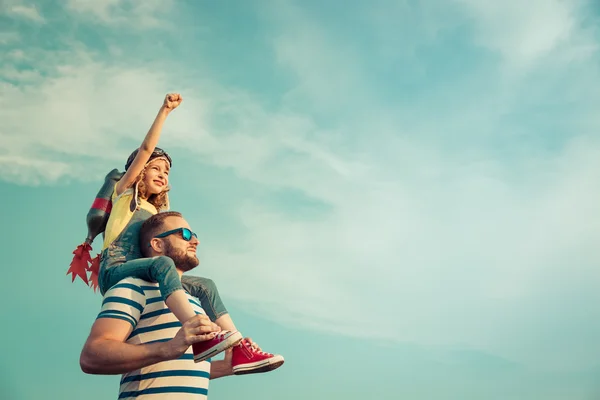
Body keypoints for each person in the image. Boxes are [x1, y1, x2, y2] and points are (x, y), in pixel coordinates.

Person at [97, 93, 283, 372]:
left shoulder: (157, 210)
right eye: (156, 168)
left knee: (205, 285)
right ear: (139, 171)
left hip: (147, 271)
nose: (163, 174)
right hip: (117, 268)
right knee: (163, 263)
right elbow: (147, 148)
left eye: (167, 172)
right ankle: (194, 328)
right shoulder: (124, 194)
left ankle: (239, 348)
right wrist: (164, 111)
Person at [80, 211, 280, 399]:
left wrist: (226, 367)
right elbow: (91, 357)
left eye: (194, 234)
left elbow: (175, 368)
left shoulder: (195, 302)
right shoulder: (133, 288)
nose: (195, 240)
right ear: (157, 245)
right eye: (184, 234)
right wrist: (167, 348)